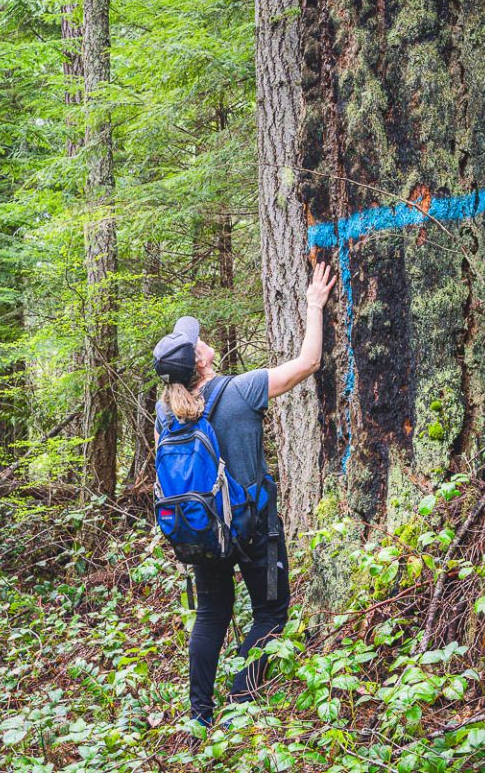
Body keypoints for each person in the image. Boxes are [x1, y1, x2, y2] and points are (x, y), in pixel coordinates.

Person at [151, 261, 335, 728]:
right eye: (197, 340)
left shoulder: (164, 412)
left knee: (211, 614)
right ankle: (240, 700)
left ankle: (199, 717)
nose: (203, 338)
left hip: (202, 532)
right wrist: (314, 304)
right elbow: (309, 362)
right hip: (255, 532)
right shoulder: (242, 390)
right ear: (200, 360)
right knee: (271, 613)